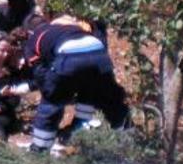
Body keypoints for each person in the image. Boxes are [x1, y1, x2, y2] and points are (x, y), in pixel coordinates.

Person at [23, 14, 129, 156]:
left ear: (29, 32)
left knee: (52, 101)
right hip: (98, 51)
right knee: (108, 97)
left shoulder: (35, 37)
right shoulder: (66, 28)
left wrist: (53, 91)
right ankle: (128, 137)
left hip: (70, 54)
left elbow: (40, 73)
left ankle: (40, 149)